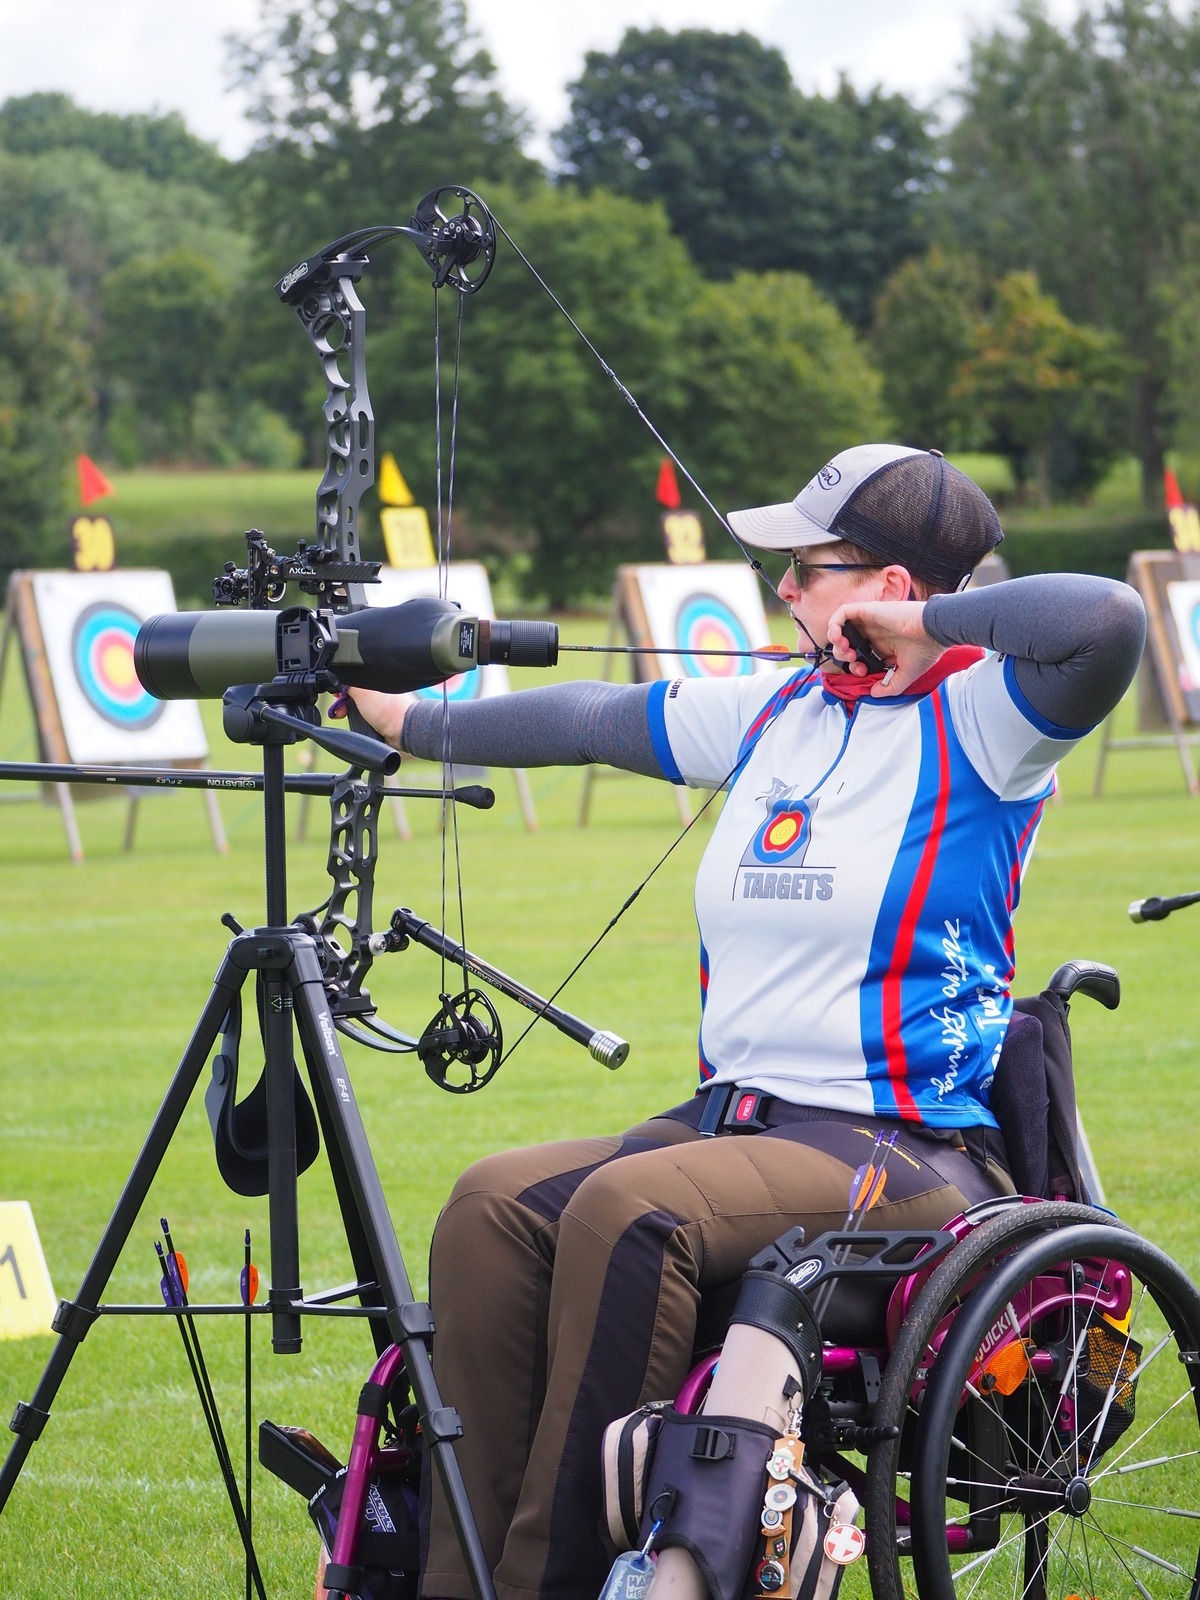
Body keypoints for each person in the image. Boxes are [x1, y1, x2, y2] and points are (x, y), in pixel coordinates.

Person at [343, 443, 1146, 1600]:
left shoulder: (993, 722)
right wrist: (411, 720)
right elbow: (592, 716)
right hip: (738, 1129)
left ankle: (557, 1581)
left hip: (903, 1151)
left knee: (632, 1209)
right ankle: (452, 1581)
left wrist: (934, 628)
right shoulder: (782, 707)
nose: (782, 590)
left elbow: (1109, 621)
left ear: (891, 587)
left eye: (810, 568)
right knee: (491, 1203)